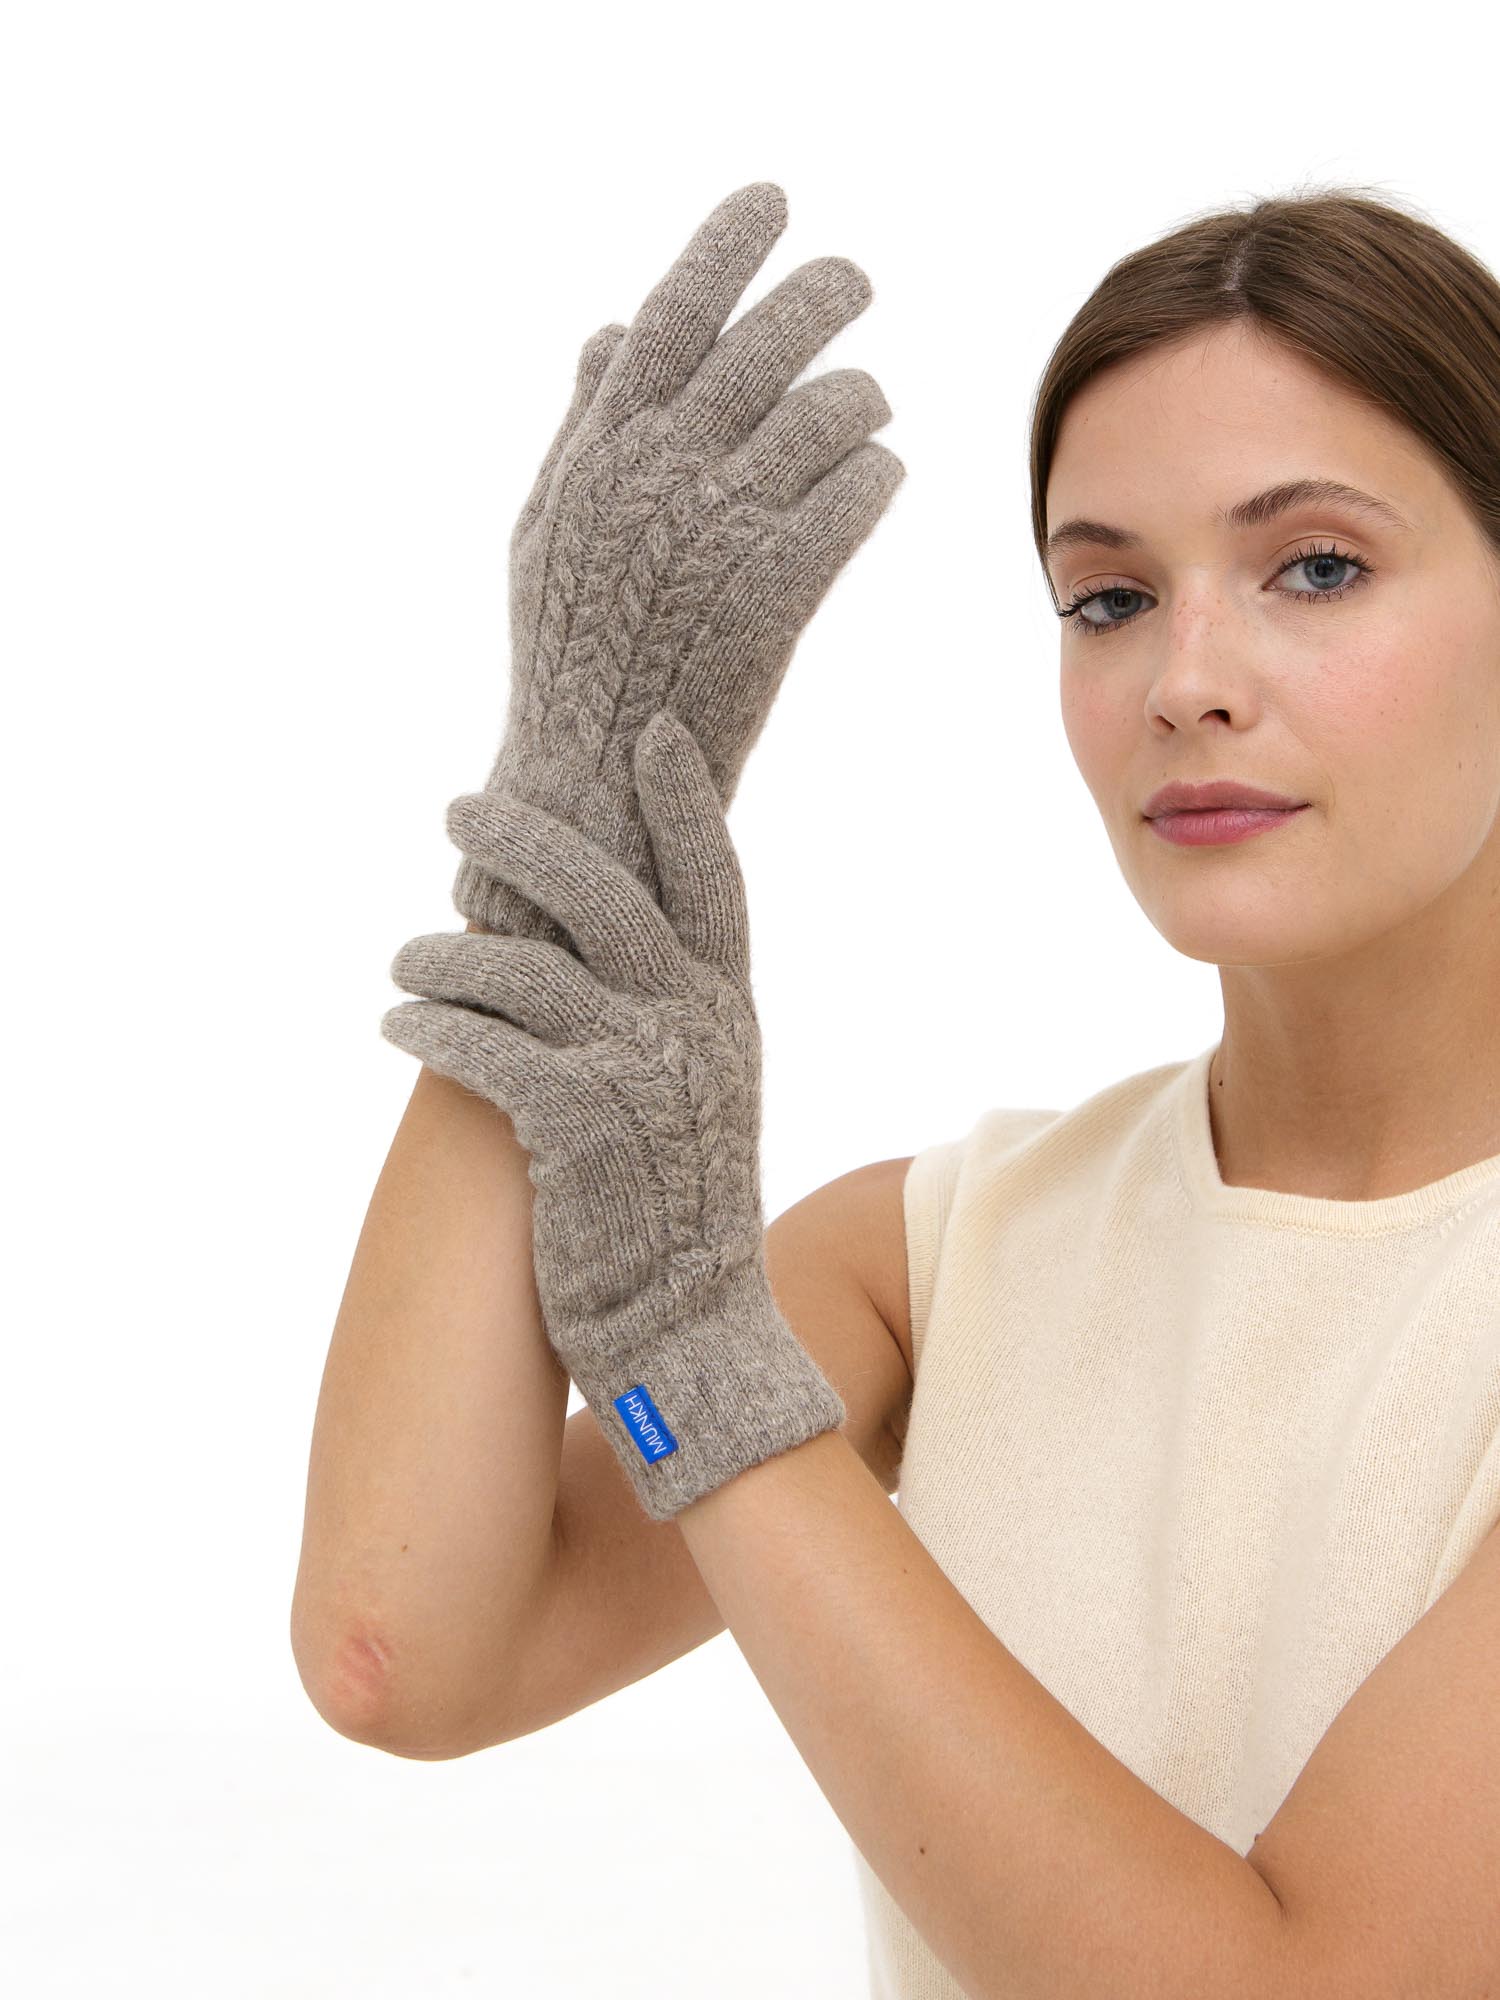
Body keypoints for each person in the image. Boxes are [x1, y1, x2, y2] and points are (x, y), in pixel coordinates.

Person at [290, 182, 1500, 1997]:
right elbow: (401, 1650)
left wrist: (697, 1369)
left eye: (1316, 567)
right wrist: (567, 821)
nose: (1184, 682)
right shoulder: (947, 1259)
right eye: (1109, 597)